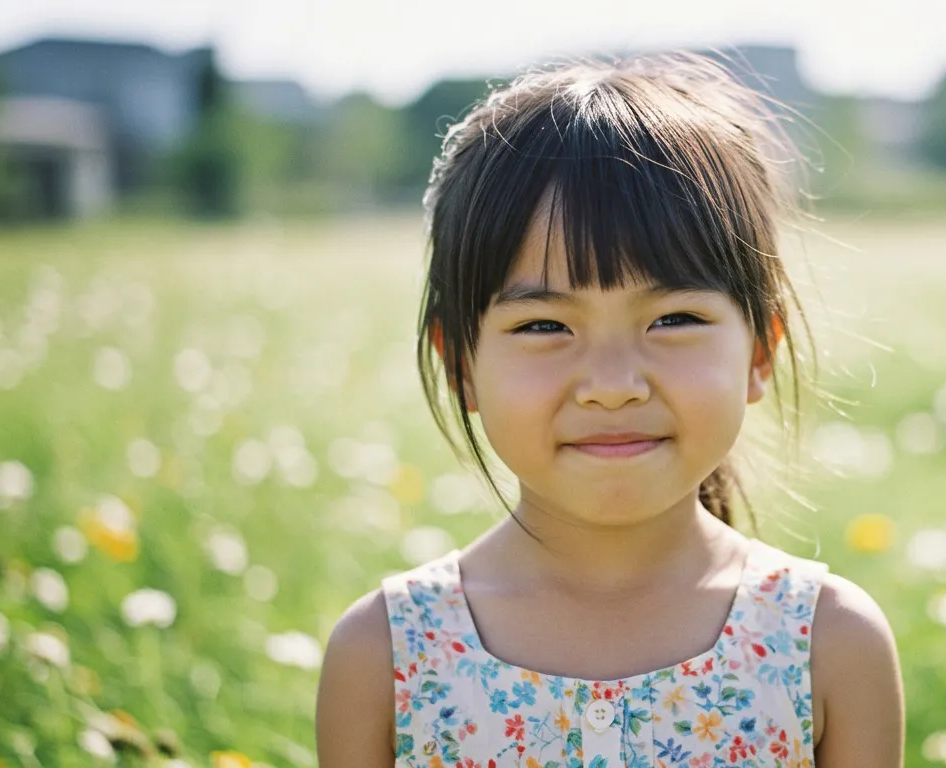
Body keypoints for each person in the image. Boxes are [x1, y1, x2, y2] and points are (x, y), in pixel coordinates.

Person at [315, 49, 904, 767]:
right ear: (460, 363)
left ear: (759, 349)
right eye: (544, 326)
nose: (612, 383)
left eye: (674, 319)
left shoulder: (825, 643)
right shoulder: (387, 654)